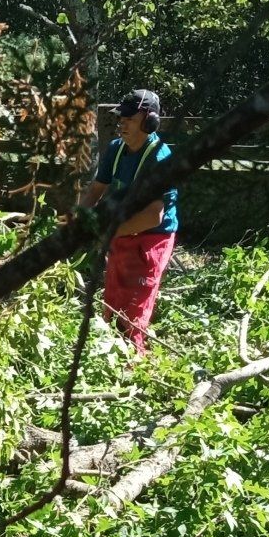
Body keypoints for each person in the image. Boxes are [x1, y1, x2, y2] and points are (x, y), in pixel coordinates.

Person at [79, 88, 177, 353]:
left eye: (130, 119)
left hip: (152, 237)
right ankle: (109, 354)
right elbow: (96, 190)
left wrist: (108, 233)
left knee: (134, 305)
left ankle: (134, 360)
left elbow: (153, 215)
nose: (122, 124)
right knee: (113, 297)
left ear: (149, 121)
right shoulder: (116, 149)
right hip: (122, 230)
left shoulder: (159, 159)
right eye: (121, 118)